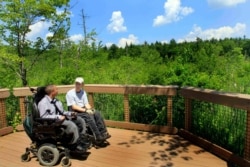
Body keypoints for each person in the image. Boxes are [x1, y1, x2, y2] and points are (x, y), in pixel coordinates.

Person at [38, 84, 88, 152]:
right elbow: (43, 116)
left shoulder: (56, 101)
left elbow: (62, 111)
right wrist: (58, 117)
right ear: (52, 92)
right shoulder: (43, 103)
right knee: (72, 125)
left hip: (62, 119)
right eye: (56, 89)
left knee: (80, 120)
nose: (58, 90)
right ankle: (74, 145)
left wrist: (71, 113)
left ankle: (82, 139)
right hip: (53, 122)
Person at [66, 77, 111, 143]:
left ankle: (103, 132)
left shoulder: (83, 92)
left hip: (83, 109)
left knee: (97, 113)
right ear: (74, 84)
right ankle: (97, 136)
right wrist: (85, 110)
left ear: (82, 85)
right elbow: (74, 107)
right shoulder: (70, 93)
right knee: (88, 116)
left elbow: (86, 104)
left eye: (79, 84)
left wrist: (91, 109)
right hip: (74, 112)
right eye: (76, 83)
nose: (77, 85)